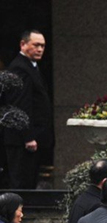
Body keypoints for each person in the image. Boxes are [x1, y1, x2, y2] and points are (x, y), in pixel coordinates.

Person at [2, 30, 53, 189]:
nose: (40, 49)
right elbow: (20, 104)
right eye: (36, 45)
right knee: (22, 184)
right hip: (22, 140)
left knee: (29, 182)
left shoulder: (31, 67)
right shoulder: (19, 68)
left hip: (31, 138)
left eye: (42, 46)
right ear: (23, 45)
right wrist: (28, 137)